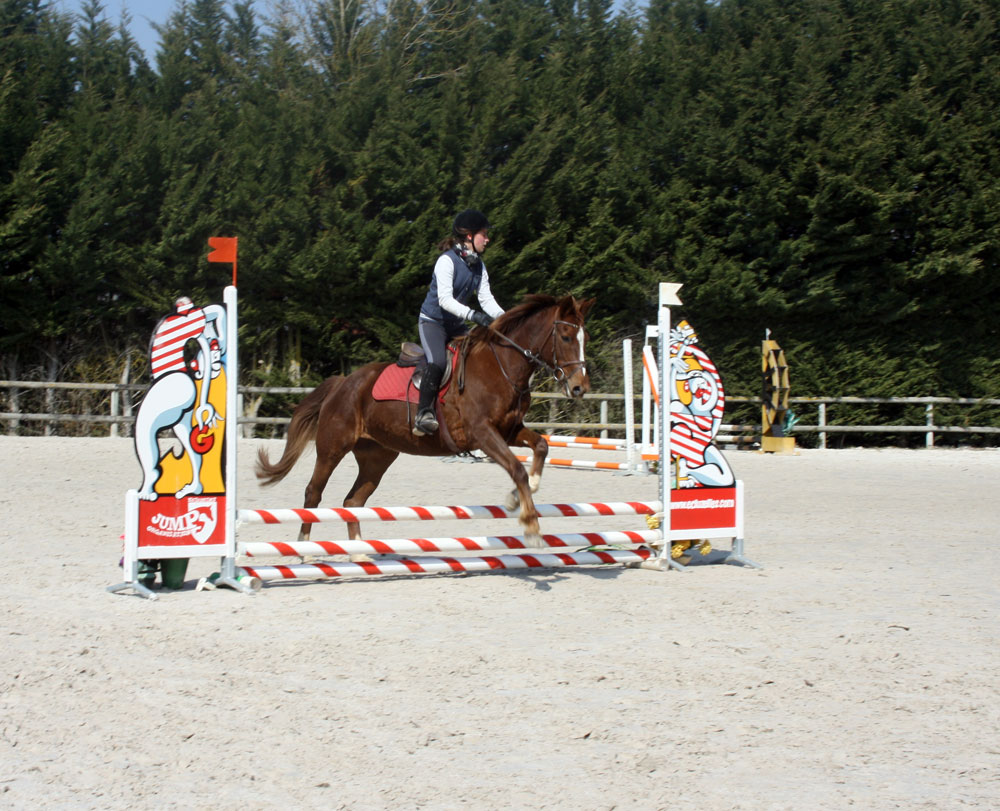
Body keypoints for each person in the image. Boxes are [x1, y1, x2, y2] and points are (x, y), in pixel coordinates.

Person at [413, 209, 505, 435]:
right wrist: (473, 315)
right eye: (484, 234)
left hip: (455, 326)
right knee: (437, 363)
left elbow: (487, 299)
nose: (487, 239)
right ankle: (424, 414)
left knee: (479, 359)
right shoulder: (446, 261)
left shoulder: (479, 266)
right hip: (432, 323)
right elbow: (444, 300)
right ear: (469, 236)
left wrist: (507, 320)